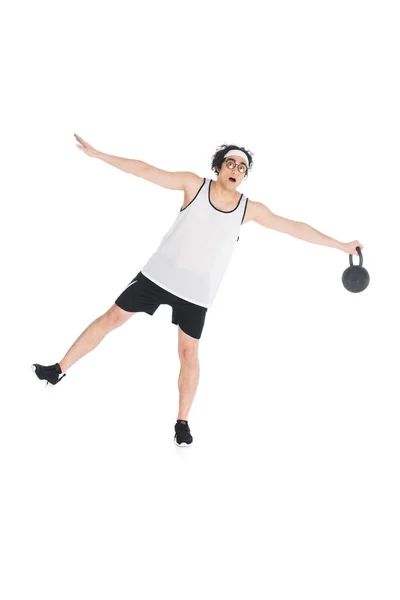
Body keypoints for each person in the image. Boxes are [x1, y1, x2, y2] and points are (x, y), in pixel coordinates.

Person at [32, 135, 363, 446]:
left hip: (196, 292)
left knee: (189, 354)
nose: (236, 170)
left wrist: (340, 245)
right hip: (158, 276)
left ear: (244, 177)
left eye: (242, 167)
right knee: (111, 318)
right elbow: (147, 171)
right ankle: (59, 369)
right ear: (219, 166)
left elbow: (294, 228)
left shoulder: (249, 209)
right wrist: (100, 155)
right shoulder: (193, 185)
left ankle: (182, 423)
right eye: (231, 164)